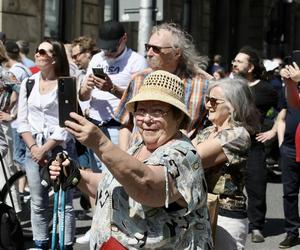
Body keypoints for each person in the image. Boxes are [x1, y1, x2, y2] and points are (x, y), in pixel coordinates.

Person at [49, 70, 213, 249]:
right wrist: (75, 175)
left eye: (158, 111)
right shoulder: (138, 147)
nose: (147, 119)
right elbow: (113, 186)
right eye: (141, 111)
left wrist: (100, 144)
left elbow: (147, 185)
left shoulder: (184, 154)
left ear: (178, 116)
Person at [17, 39, 77, 249]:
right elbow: (21, 120)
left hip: (60, 148)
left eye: (44, 52)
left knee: (64, 203)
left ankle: (65, 244)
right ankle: (40, 242)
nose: (38, 55)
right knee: (38, 201)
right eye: (37, 51)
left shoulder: (66, 83)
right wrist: (34, 148)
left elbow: (67, 121)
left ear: (55, 57)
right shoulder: (29, 82)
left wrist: (46, 148)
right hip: (33, 147)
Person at [114, 22, 213, 151]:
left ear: (177, 53)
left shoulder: (203, 85)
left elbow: (213, 130)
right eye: (148, 47)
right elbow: (125, 124)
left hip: (177, 163)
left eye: (156, 49)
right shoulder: (139, 79)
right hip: (136, 161)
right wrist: (125, 158)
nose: (149, 53)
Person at [192, 77, 260, 250]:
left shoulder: (238, 135)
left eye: (213, 101)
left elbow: (192, 156)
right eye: (207, 100)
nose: (208, 105)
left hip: (225, 216)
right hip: (200, 210)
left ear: (232, 106)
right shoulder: (207, 131)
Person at [231, 46, 278, 243]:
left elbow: (285, 108)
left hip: (254, 146)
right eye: (234, 60)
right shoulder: (230, 86)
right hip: (229, 143)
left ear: (250, 67)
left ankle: (257, 226)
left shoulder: (266, 89)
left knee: (256, 185)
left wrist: (273, 131)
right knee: (227, 186)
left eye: (239, 61)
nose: (234, 63)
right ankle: (229, 220)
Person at [79, 20, 147, 152]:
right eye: (104, 47)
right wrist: (86, 88)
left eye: (112, 48)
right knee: (96, 171)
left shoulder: (136, 61)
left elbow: (139, 100)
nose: (108, 52)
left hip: (118, 128)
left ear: (124, 38)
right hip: (94, 125)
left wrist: (111, 89)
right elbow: (83, 97)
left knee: (114, 171)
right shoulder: (97, 59)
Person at [274, 63, 300, 248]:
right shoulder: (290, 84)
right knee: (289, 194)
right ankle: (292, 232)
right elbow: (287, 109)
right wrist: (281, 143)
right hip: (290, 148)